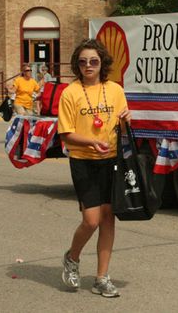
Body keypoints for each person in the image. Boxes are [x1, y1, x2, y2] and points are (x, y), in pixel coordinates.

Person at [58, 39, 131, 298]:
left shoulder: (115, 90)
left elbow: (122, 130)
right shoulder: (70, 92)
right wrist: (92, 141)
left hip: (111, 160)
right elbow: (66, 134)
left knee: (108, 218)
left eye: (93, 61)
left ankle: (102, 277)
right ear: (77, 65)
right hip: (83, 160)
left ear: (102, 63)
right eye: (82, 62)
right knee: (91, 221)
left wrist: (126, 121)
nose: (88, 66)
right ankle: (72, 257)